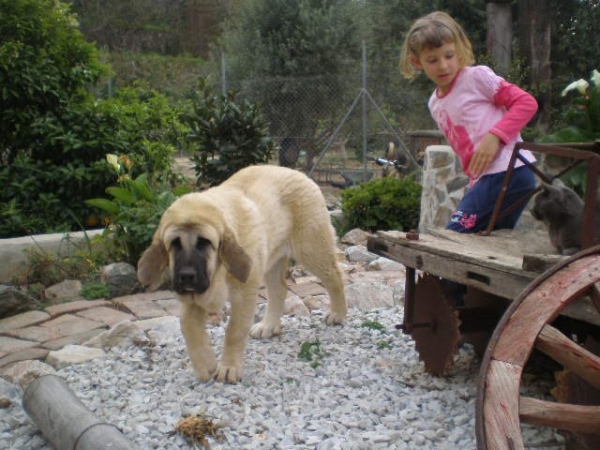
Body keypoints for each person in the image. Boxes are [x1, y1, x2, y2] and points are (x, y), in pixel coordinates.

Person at [400, 11, 538, 234]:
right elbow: (465, 147)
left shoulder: (475, 78)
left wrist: (495, 136)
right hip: (490, 178)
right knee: (488, 242)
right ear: (417, 62)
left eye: (449, 55)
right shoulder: (435, 104)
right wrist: (476, 181)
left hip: (510, 170)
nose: (443, 65)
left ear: (460, 50)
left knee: (454, 238)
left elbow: (526, 102)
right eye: (433, 60)